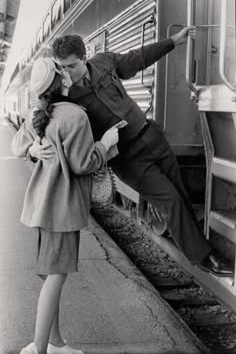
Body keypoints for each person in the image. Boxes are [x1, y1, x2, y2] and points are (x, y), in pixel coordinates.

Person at [28, 27, 233, 277]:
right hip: (128, 158)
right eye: (62, 68)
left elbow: (138, 57)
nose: (66, 73)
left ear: (84, 57)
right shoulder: (66, 96)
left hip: (150, 135)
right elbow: (40, 118)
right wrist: (33, 147)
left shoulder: (103, 62)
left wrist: (173, 41)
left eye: (71, 66)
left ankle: (196, 242)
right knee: (170, 200)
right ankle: (205, 258)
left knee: (180, 193)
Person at [11, 57, 119, 354]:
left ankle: (56, 343)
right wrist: (106, 143)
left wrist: (32, 148)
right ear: (63, 81)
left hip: (40, 207)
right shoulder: (75, 115)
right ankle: (39, 348)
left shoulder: (39, 115)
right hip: (62, 209)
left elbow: (16, 146)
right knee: (56, 278)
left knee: (50, 274)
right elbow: (83, 164)